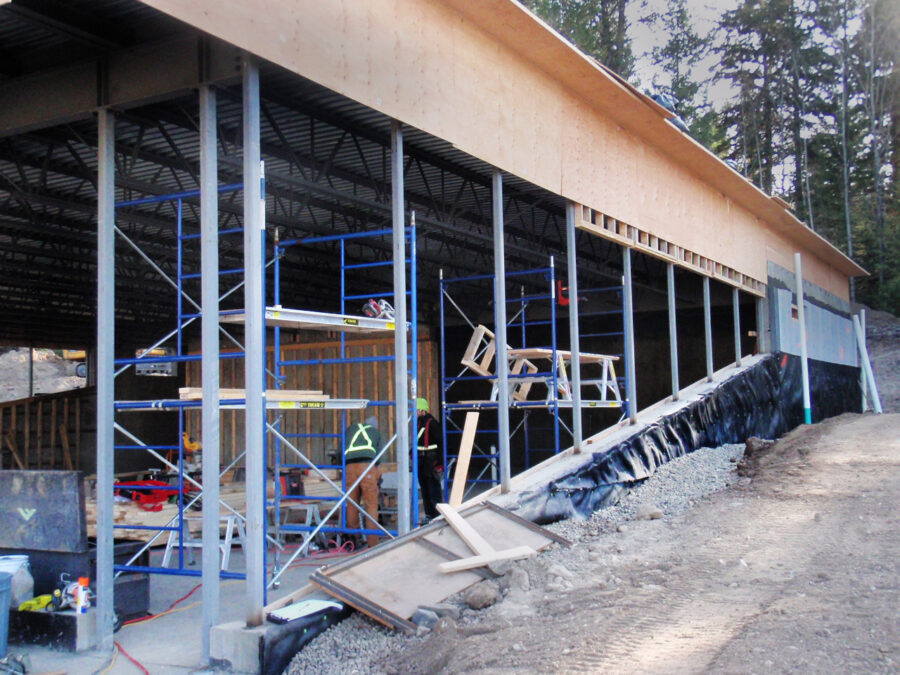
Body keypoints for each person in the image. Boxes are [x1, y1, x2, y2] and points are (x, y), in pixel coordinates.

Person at [343, 415, 382, 548]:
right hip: (367, 466)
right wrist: (376, 472)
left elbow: (339, 452)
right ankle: (373, 543)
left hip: (349, 467)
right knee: (371, 505)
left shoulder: (351, 429)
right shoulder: (375, 432)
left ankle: (353, 540)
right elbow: (379, 455)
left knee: (352, 503)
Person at [415, 398, 443, 521]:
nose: (414, 413)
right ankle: (429, 515)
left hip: (431, 461)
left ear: (422, 410)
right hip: (421, 461)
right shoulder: (419, 423)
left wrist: (440, 463)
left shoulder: (431, 423)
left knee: (433, 490)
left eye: (415, 410)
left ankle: (436, 515)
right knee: (425, 490)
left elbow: (441, 443)